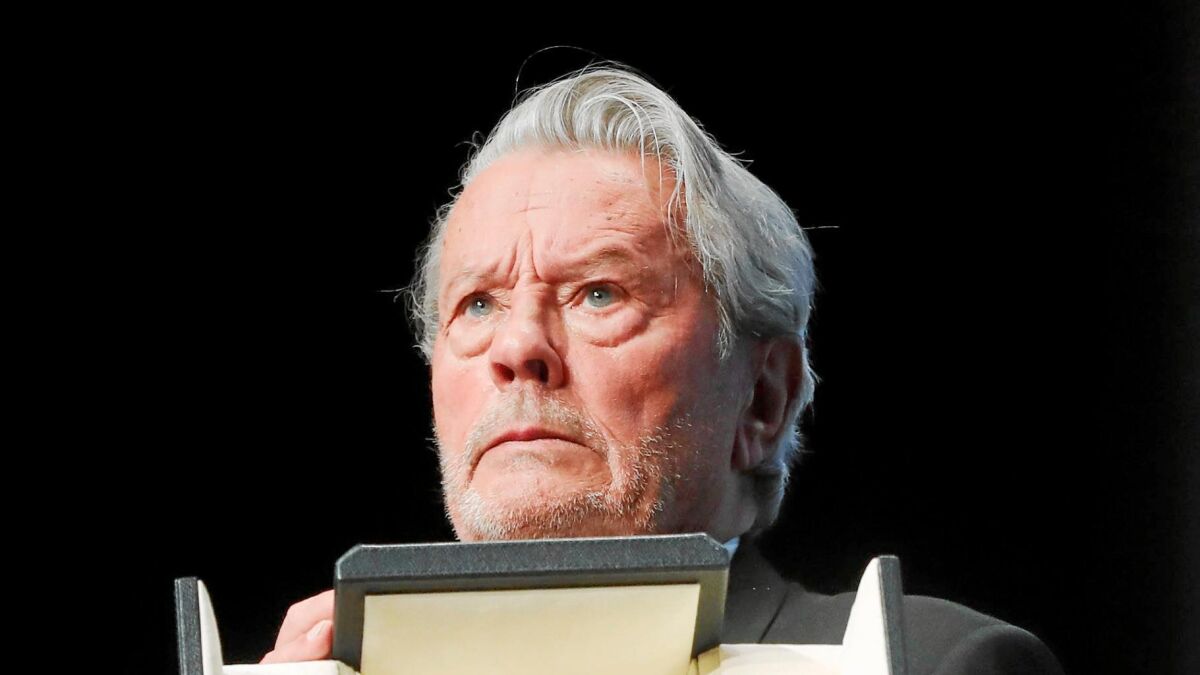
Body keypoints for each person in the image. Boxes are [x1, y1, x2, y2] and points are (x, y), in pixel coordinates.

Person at [260, 63, 1064, 674]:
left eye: (599, 293)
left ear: (763, 398)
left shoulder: (927, 662)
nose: (518, 347)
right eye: (477, 304)